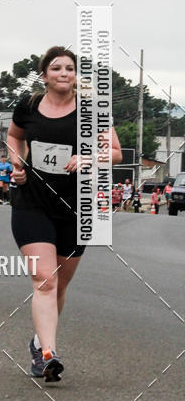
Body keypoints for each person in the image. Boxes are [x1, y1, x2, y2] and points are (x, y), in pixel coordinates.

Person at [7, 46, 122, 382]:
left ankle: (39, 340)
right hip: (32, 202)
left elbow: (113, 151)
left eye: (70, 68)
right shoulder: (28, 106)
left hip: (77, 206)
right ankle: (48, 354)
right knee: (45, 278)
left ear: (76, 75)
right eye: (56, 68)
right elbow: (14, 136)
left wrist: (89, 159)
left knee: (59, 284)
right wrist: (16, 160)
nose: (64, 73)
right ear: (44, 75)